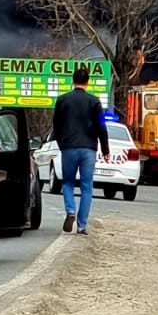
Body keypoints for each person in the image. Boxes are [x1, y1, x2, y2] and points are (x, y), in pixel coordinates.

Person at [53, 64, 110, 234]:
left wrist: (61, 143)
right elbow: (101, 127)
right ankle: (82, 225)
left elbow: (56, 125)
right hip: (89, 149)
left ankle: (70, 210)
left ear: (73, 81)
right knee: (87, 187)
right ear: (87, 82)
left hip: (69, 147)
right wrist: (106, 150)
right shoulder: (94, 101)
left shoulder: (63, 100)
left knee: (68, 183)